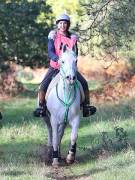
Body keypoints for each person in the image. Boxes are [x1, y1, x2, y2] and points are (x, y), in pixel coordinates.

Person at [33, 14, 96, 117]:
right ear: (57, 25)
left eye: (65, 23)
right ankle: (41, 107)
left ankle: (86, 106)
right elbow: (50, 51)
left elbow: (75, 54)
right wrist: (58, 59)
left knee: (84, 83)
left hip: (69, 68)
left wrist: (71, 64)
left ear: (68, 25)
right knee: (43, 85)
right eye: (60, 23)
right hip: (55, 67)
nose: (63, 25)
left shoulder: (72, 38)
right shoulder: (53, 36)